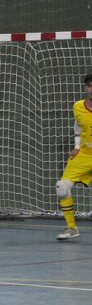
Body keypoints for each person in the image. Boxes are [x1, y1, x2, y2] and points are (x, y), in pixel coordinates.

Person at [55, 73, 92, 240]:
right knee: (62, 187)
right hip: (84, 154)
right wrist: (77, 147)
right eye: (89, 85)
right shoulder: (77, 106)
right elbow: (78, 125)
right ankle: (71, 228)